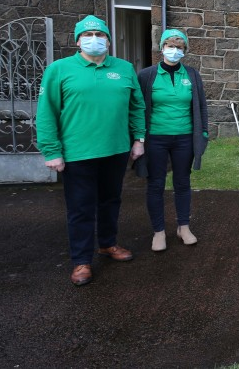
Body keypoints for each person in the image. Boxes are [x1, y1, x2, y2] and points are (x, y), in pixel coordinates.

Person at [36, 15, 145, 286]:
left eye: (100, 35)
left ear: (108, 40)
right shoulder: (59, 69)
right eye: (89, 35)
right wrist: (51, 151)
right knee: (81, 208)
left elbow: (137, 106)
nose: (95, 39)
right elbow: (46, 112)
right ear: (77, 41)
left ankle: (107, 244)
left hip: (116, 149)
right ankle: (81, 261)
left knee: (111, 201)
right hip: (77, 153)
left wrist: (138, 139)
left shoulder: (124, 68)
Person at [135, 29, 209, 252]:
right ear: (161, 47)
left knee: (182, 182)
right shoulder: (147, 75)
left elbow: (201, 106)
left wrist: (203, 132)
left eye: (179, 47)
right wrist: (138, 137)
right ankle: (158, 232)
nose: (174, 51)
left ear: (184, 50)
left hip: (184, 137)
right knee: (156, 184)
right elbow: (138, 108)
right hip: (156, 138)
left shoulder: (192, 75)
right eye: (170, 46)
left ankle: (183, 227)